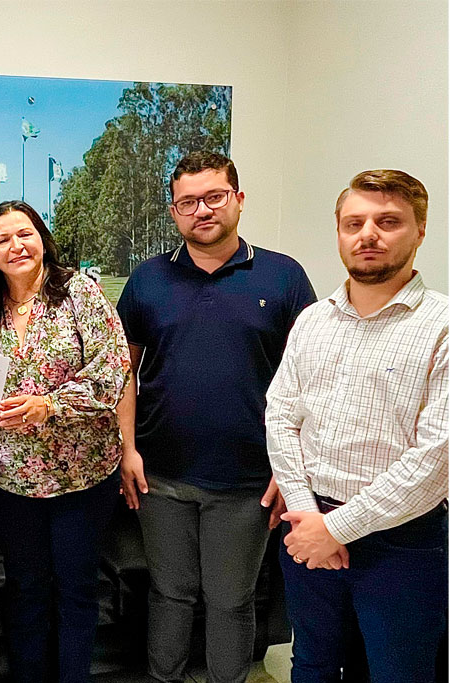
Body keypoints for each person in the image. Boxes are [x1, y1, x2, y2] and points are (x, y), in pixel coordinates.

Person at [115, 151, 315, 683]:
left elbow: (309, 384)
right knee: (170, 594)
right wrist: (128, 451)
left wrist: (290, 468)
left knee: (231, 600)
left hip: (248, 480)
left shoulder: (284, 276)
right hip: (160, 475)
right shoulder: (148, 279)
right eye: (187, 202)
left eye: (214, 197)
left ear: (238, 200)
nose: (201, 210)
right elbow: (123, 375)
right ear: (174, 212)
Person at [265, 169, 447, 683]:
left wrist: (335, 530)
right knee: (315, 664)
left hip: (403, 542)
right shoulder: (313, 321)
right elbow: (280, 416)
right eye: (354, 223)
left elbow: (436, 458)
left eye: (387, 221)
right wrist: (305, 514)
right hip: (308, 522)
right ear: (340, 233)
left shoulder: (442, 326)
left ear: (420, 230)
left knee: (399, 671)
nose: (367, 234)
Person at [0, 200, 132, 683]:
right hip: (10, 481)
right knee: (25, 590)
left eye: (25, 233)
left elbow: (113, 368)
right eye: (3, 239)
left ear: (42, 237)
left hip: (82, 477)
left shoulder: (79, 292)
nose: (16, 245)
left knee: (77, 590)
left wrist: (50, 404)